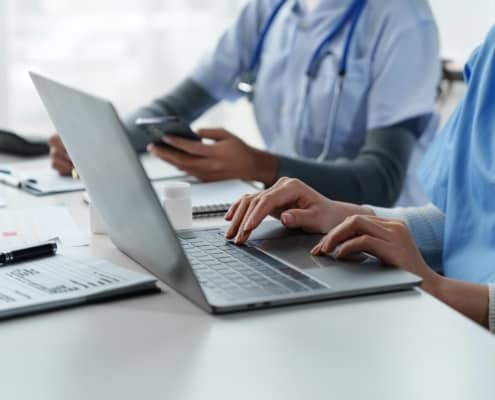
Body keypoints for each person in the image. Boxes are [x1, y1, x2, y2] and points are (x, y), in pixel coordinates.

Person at [224, 26, 495, 332]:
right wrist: (340, 215)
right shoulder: (491, 51)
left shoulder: (403, 23)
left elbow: (382, 176)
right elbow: (469, 220)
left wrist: (439, 288)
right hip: (455, 326)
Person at [49, 0, 440, 207]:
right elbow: (178, 104)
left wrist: (261, 166)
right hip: (292, 214)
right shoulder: (269, 10)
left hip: (380, 235)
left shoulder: (402, 19)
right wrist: (96, 145)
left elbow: (382, 181)